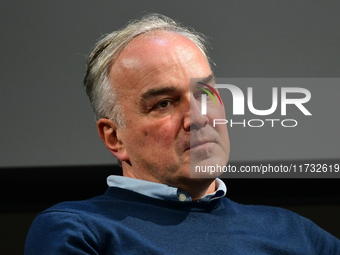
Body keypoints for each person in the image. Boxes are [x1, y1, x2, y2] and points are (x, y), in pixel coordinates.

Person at [25, 14, 339, 254]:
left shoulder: (296, 233)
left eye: (205, 94)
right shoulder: (78, 230)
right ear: (114, 138)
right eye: (164, 103)